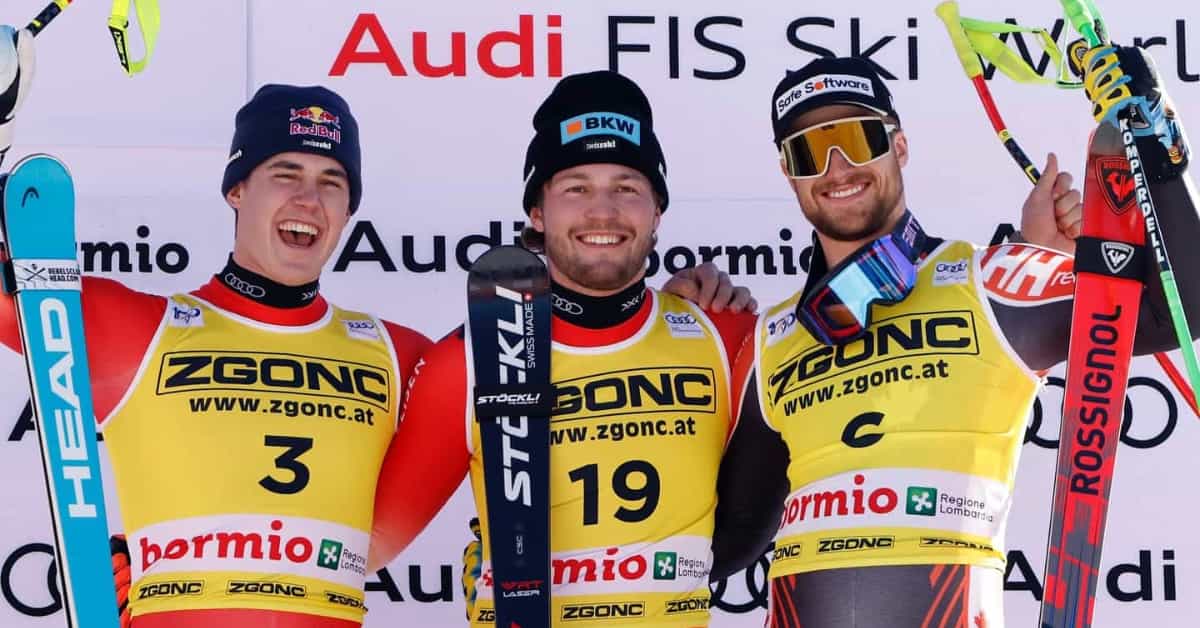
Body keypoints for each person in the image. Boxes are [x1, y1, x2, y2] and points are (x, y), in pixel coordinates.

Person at [0, 29, 745, 628]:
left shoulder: (407, 356)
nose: (309, 198)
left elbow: (366, 546)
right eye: (285, 173)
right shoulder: (134, 326)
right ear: (236, 187)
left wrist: (683, 308)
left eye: (332, 182)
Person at [711, 51, 1200, 627]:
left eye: (858, 136)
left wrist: (1154, 143)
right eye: (809, 151)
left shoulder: (991, 280)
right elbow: (727, 544)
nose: (837, 167)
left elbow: (1178, 311)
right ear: (790, 173)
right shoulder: (773, 336)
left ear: (900, 146)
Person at [367, 70, 760, 627]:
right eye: (576, 187)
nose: (603, 212)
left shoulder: (724, 335)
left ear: (657, 213)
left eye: (627, 187)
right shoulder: (471, 361)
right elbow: (367, 548)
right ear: (537, 212)